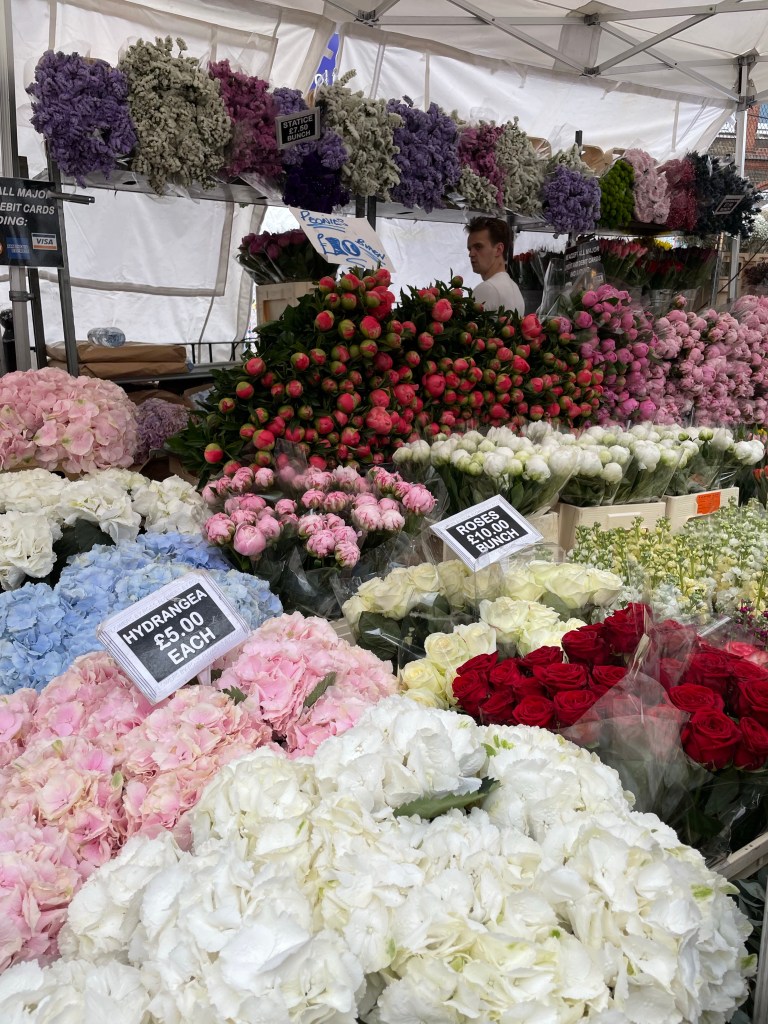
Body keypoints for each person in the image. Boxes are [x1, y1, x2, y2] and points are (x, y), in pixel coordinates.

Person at [465, 215, 525, 315]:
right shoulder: (515, 289)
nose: (471, 254)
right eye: (470, 249)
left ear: (498, 249)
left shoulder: (487, 289)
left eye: (478, 247)